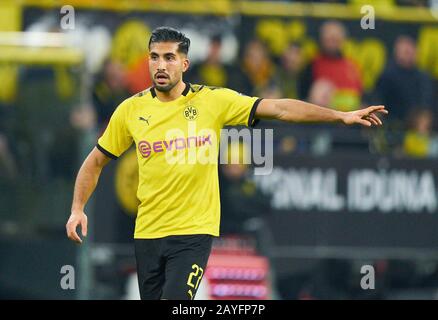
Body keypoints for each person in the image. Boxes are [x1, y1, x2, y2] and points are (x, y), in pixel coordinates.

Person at [66, 26, 388, 300]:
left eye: (169, 57)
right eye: (154, 57)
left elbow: (280, 109)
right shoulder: (130, 111)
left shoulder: (212, 101)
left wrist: (339, 115)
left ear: (185, 63)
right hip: (148, 232)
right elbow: (95, 162)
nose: (160, 65)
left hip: (193, 233)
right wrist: (78, 208)